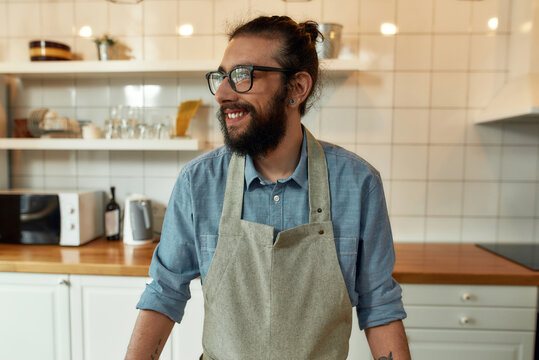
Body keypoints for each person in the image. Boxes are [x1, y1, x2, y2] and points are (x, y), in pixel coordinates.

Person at [126, 15, 410, 360]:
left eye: (243, 76)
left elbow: (379, 306)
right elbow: (164, 293)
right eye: (221, 77)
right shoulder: (198, 183)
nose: (222, 93)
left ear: (296, 88)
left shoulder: (357, 184)